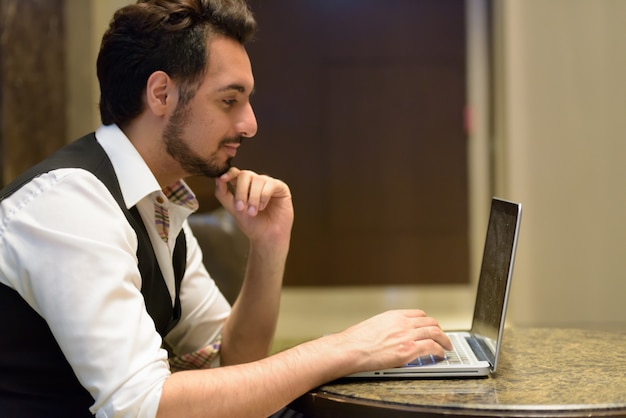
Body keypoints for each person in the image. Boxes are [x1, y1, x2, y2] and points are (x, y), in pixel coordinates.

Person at [0, 0, 452, 417]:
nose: (250, 124)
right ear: (160, 94)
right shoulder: (71, 202)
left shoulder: (160, 203)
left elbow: (233, 362)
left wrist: (268, 246)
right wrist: (345, 348)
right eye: (229, 101)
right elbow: (141, 405)